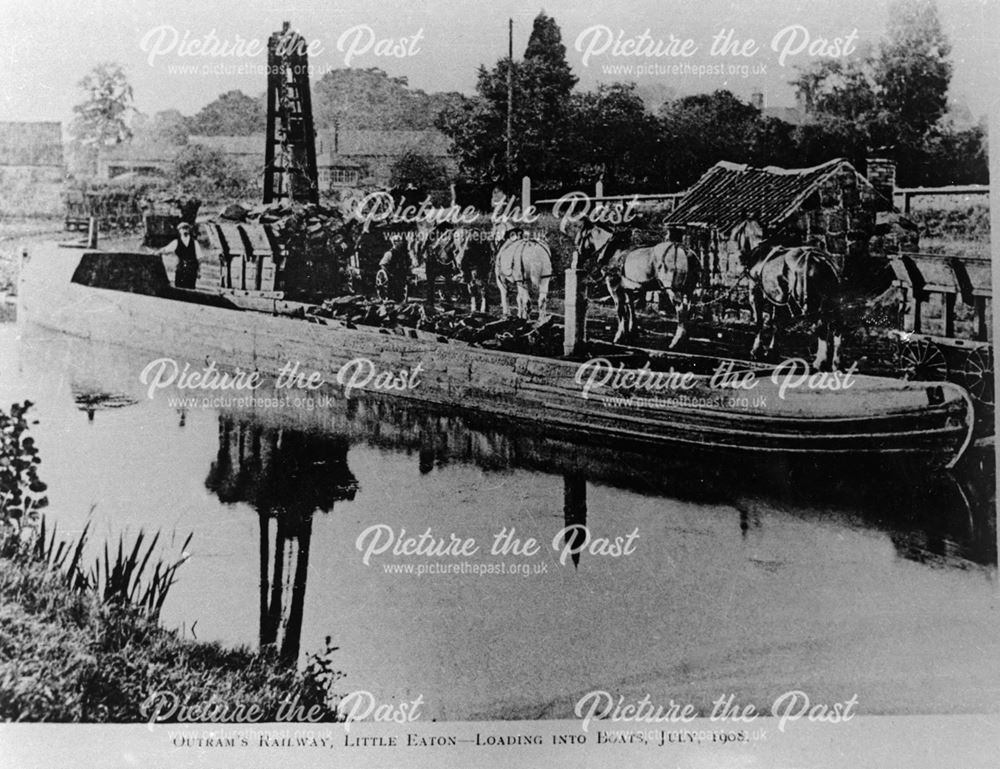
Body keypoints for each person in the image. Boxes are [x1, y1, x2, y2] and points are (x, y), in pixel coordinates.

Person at [155, 222, 200, 289]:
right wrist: (157, 252)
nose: (185, 230)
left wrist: (199, 271)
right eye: (182, 229)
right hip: (180, 270)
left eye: (186, 228)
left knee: (190, 289)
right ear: (179, 231)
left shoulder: (195, 243)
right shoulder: (176, 242)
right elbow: (166, 250)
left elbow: (199, 258)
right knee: (179, 288)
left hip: (192, 270)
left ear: (189, 230)